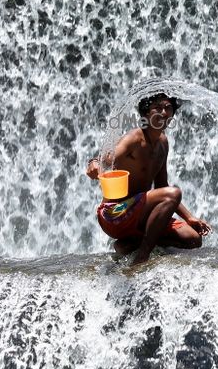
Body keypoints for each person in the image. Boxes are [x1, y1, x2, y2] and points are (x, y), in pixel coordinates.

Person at [86, 93, 211, 262]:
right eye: (157, 108)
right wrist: (93, 163)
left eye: (168, 108)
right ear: (146, 114)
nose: (164, 112)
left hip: (141, 215)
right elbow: (105, 159)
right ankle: (142, 255)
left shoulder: (163, 143)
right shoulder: (133, 139)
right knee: (173, 193)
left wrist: (189, 218)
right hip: (115, 213)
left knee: (193, 239)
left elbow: (162, 186)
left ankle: (129, 245)